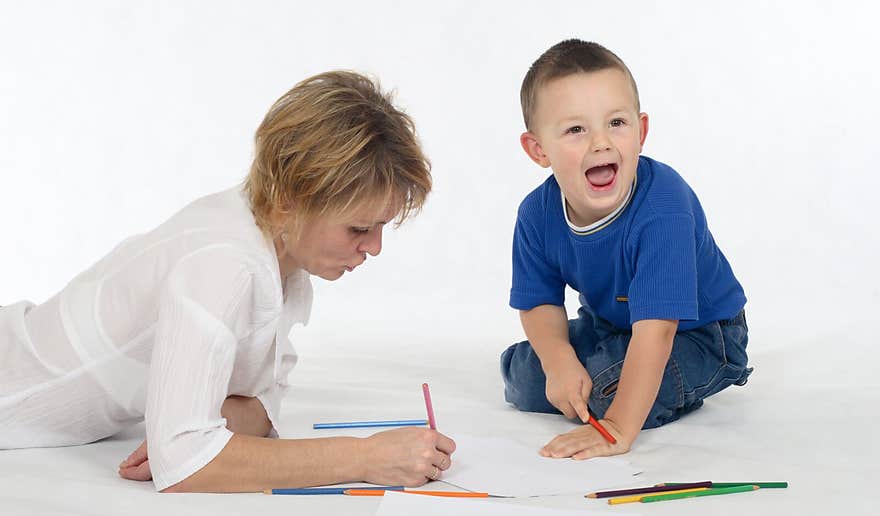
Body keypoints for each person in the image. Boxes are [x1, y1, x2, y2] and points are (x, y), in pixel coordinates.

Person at [0, 70, 456, 492]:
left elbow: (257, 405)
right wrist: (366, 458)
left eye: (381, 227)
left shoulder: (281, 254)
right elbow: (187, 465)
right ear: (288, 200)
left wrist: (189, 429)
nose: (374, 247)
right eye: (358, 229)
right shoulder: (225, 265)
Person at [500, 39, 752, 461]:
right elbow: (539, 303)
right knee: (526, 374)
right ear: (538, 149)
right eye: (576, 130)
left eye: (616, 123)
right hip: (611, 325)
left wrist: (617, 426)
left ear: (641, 131)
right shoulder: (535, 215)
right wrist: (559, 360)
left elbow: (658, 330)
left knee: (603, 391)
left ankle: (654, 386)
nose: (600, 143)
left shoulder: (663, 207)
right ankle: (607, 370)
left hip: (700, 335)